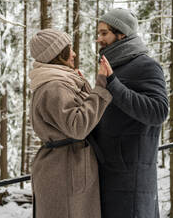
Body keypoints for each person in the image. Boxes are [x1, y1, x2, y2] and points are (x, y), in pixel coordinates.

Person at [90, 8, 169, 218]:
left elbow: (159, 111)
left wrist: (113, 85)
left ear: (122, 34)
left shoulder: (146, 65)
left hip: (131, 179)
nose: (99, 39)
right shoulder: (114, 66)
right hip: (108, 173)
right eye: (98, 33)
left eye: (104, 33)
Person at [29, 28, 113, 218]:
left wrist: (84, 86)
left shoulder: (59, 81)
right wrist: (101, 85)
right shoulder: (54, 86)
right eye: (69, 48)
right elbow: (78, 126)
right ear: (58, 54)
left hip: (64, 166)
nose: (74, 53)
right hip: (64, 169)